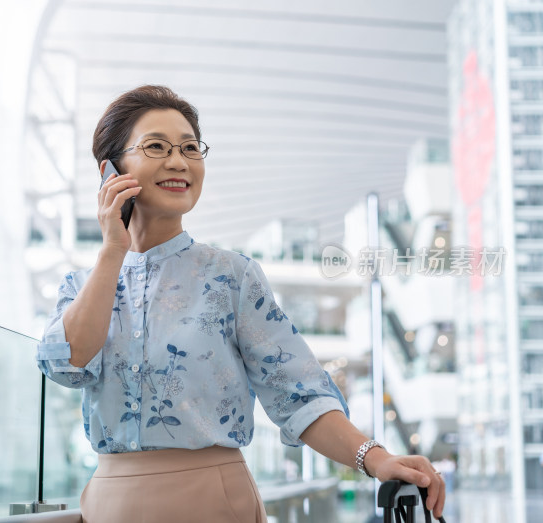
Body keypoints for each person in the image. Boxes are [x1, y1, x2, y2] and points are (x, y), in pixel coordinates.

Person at [36, 85, 446, 522]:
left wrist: (375, 458)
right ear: (110, 171)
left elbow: (298, 392)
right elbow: (66, 364)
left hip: (214, 501)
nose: (179, 161)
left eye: (191, 148)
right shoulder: (81, 286)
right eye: (157, 146)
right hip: (111, 506)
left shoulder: (231, 276)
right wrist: (112, 250)